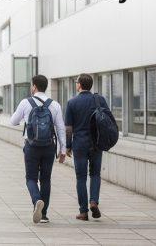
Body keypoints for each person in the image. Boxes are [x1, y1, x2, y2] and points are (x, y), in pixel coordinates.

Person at [9, 75, 66, 224]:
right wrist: (63, 150)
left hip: (31, 146)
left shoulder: (25, 103)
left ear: (34, 86)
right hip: (49, 146)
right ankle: (44, 215)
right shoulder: (55, 105)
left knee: (31, 178)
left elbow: (13, 121)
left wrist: (26, 119)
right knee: (46, 179)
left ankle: (36, 201)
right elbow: (60, 128)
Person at [65, 73, 105, 221]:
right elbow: (107, 119)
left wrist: (68, 146)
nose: (76, 84)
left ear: (80, 85)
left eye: (76, 82)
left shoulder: (72, 102)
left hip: (80, 144)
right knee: (95, 174)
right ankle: (94, 201)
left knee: (81, 177)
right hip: (97, 143)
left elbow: (68, 128)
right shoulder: (99, 100)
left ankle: (83, 211)